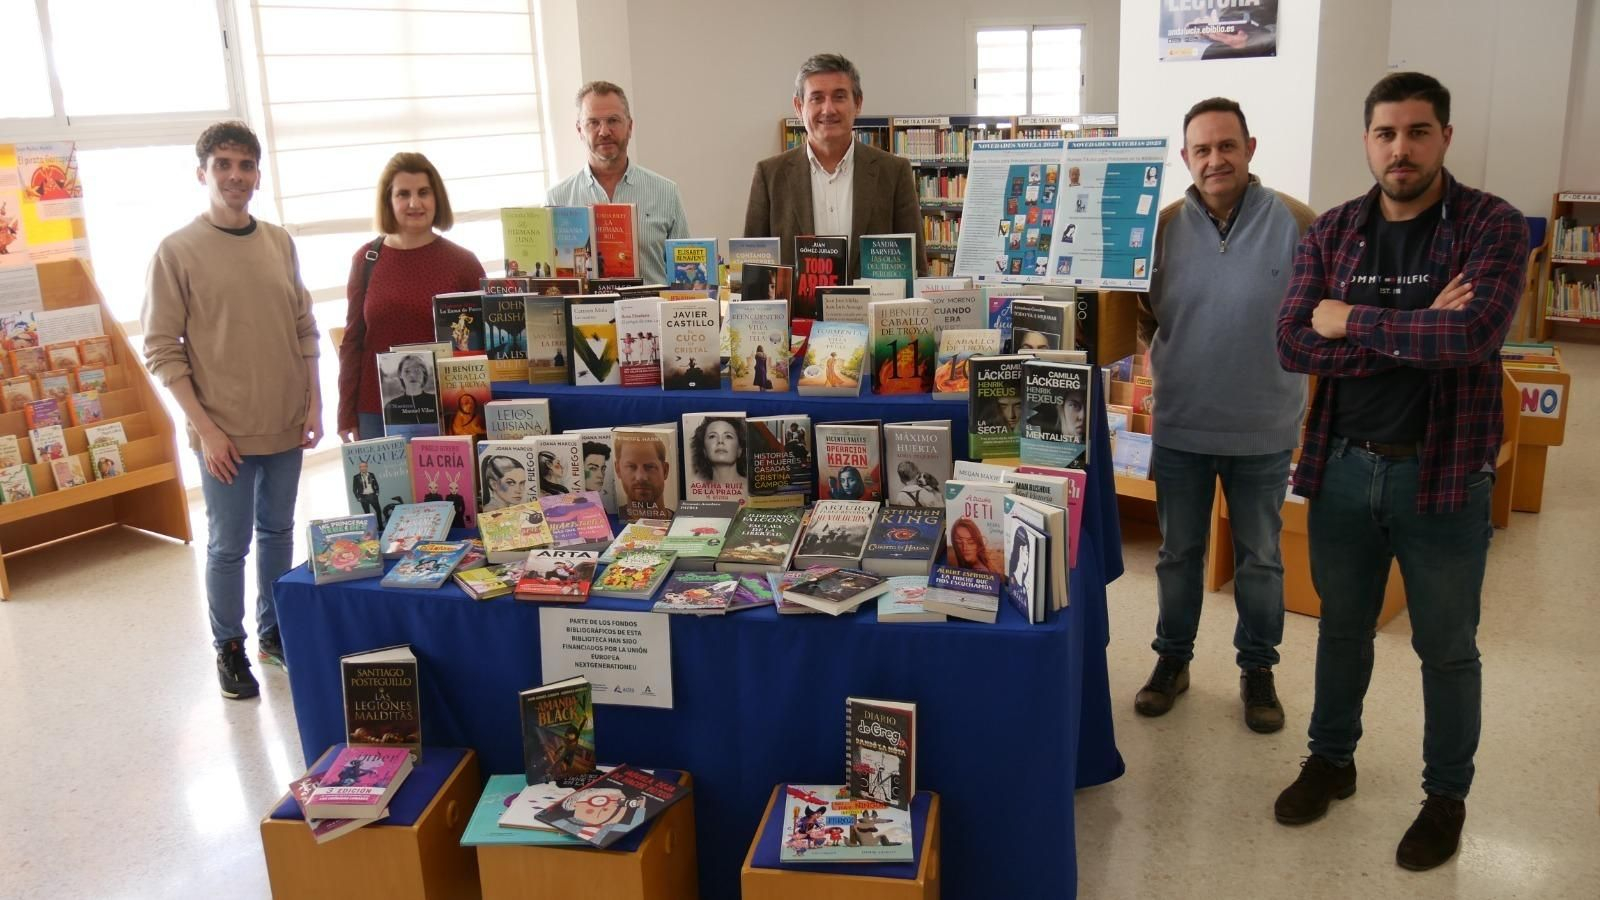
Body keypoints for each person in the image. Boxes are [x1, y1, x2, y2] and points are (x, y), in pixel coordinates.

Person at [1272, 72, 1525, 872]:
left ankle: (1445, 796)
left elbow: (1474, 337)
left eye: (1417, 132)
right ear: (1368, 140)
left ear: (1444, 137)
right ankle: (1331, 762)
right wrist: (1417, 329)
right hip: (1344, 469)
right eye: (1386, 133)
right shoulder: (1336, 230)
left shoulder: (1493, 225)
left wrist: (1352, 322)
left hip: (1443, 477)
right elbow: (1293, 342)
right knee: (1341, 631)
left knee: (1448, 648)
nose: (1401, 148)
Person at [1121, 97, 1315, 735]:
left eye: (1226, 146)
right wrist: (1158, 371)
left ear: (1250, 148)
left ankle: (1258, 671)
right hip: (1183, 426)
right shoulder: (1162, 227)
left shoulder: (1296, 222)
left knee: (1260, 557)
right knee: (1179, 554)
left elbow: (1323, 311)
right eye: (1201, 149)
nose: (1215, 159)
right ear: (1185, 158)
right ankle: (1171, 662)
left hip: (1264, 427)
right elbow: (1146, 317)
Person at [142, 121, 321, 700]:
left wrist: (314, 399)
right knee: (228, 545)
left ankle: (274, 634)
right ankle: (229, 646)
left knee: (278, 534)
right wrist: (206, 430)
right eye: (223, 164)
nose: (235, 176)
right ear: (203, 173)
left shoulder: (278, 242)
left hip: (284, 422)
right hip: (223, 433)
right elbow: (161, 350)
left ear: (258, 176)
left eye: (245, 166)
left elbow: (303, 328)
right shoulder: (176, 251)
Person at [337, 152, 484, 442]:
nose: (414, 203)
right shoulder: (367, 260)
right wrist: (345, 413)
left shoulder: (463, 263)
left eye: (423, 193)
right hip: (376, 411)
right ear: (388, 202)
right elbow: (353, 341)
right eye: (403, 194)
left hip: (449, 412)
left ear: (436, 198)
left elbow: (483, 348)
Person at [744, 53, 926, 280]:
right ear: (798, 107)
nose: (828, 109)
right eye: (817, 98)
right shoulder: (769, 176)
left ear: (858, 103)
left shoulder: (894, 172)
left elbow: (916, 269)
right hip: (798, 316)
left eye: (839, 97)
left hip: (871, 314)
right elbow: (754, 274)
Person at [545, 81, 689, 286]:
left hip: (652, 314)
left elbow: (683, 275)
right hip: (584, 316)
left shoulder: (666, 192)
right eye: (593, 123)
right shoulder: (556, 199)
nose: (604, 131)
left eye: (613, 120)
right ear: (579, 130)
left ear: (630, 127)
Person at [617, 433, 670, 516]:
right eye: (631, 467)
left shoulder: (680, 520)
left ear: (665, 471)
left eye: (650, 467)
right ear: (618, 470)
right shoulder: (608, 517)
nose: (640, 477)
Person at [689, 416, 746, 489]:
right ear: (704, 451)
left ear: (739, 450)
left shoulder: (750, 489)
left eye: (728, 436)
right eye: (712, 436)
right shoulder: (698, 488)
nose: (720, 441)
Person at [382, 354, 438, 425]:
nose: (412, 375)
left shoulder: (436, 402)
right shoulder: (391, 406)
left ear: (424, 373)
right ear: (400, 374)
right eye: (407, 371)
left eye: (417, 370)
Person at [353, 461, 384, 527]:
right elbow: (354, 489)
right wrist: (359, 498)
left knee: (378, 511)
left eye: (364, 466)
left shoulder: (371, 475)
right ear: (359, 468)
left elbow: (376, 485)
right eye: (361, 467)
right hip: (363, 497)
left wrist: (376, 494)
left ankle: (381, 527)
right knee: (367, 514)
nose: (362, 468)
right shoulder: (356, 477)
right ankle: (371, 528)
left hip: (373, 496)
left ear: (367, 467)